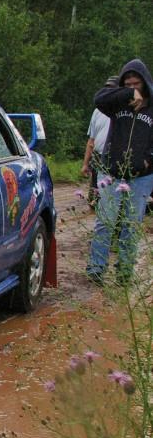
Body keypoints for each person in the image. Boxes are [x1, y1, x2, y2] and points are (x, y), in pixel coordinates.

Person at [86, 59, 153, 284]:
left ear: (145, 82)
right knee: (106, 221)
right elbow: (99, 98)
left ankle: (124, 274)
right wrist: (126, 94)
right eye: (128, 83)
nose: (133, 86)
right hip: (112, 172)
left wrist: (147, 160)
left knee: (131, 225)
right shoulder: (117, 103)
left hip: (142, 176)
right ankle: (96, 269)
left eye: (137, 84)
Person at [81, 76, 119, 207]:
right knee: (94, 200)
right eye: (107, 88)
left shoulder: (122, 110)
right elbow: (91, 141)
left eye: (112, 89)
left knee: (110, 197)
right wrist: (85, 164)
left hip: (115, 156)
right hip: (97, 155)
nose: (109, 92)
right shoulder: (97, 111)